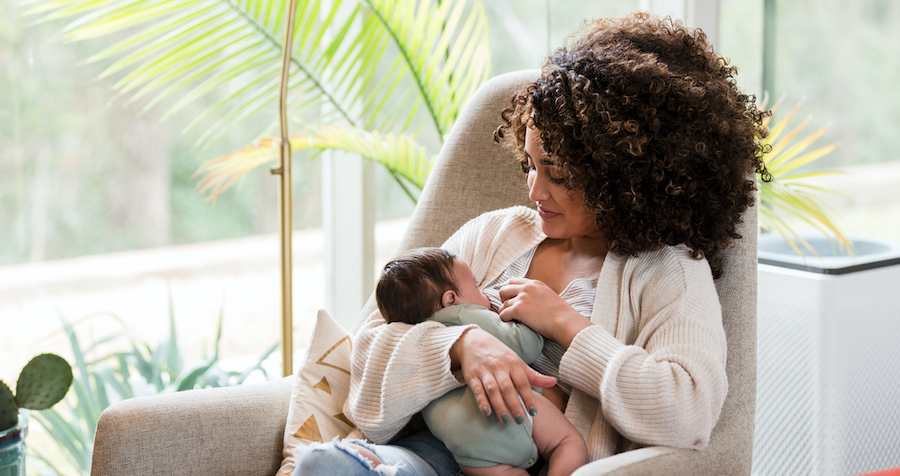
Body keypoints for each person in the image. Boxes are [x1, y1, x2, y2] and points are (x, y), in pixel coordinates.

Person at [294, 12, 769, 476]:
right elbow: (368, 346)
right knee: (325, 466)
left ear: (624, 175)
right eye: (530, 164)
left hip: (542, 460)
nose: (534, 191)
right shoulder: (495, 234)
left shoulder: (669, 272)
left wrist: (566, 324)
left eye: (556, 173)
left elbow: (687, 413)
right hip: (424, 454)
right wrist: (461, 345)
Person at [374, 247, 588, 476]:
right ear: (450, 299)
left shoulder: (413, 336)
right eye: (476, 286)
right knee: (568, 444)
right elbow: (525, 346)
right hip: (510, 412)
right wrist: (529, 319)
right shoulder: (463, 315)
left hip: (468, 449)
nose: (485, 292)